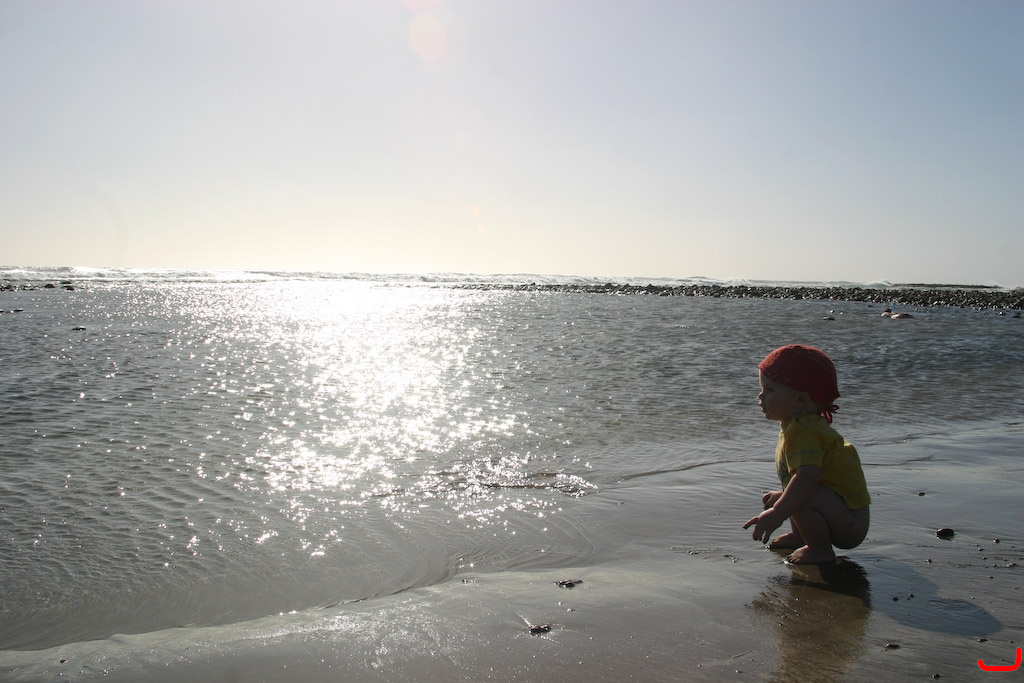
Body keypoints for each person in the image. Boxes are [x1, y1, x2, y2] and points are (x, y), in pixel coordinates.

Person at [743, 344, 870, 565]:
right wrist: (782, 497)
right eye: (762, 388)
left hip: (850, 525)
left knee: (801, 492)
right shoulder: (798, 425)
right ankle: (801, 535)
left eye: (770, 390)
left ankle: (819, 550)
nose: (761, 396)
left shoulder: (803, 431)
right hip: (839, 512)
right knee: (793, 492)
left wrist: (777, 513)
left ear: (801, 400)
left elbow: (807, 479)